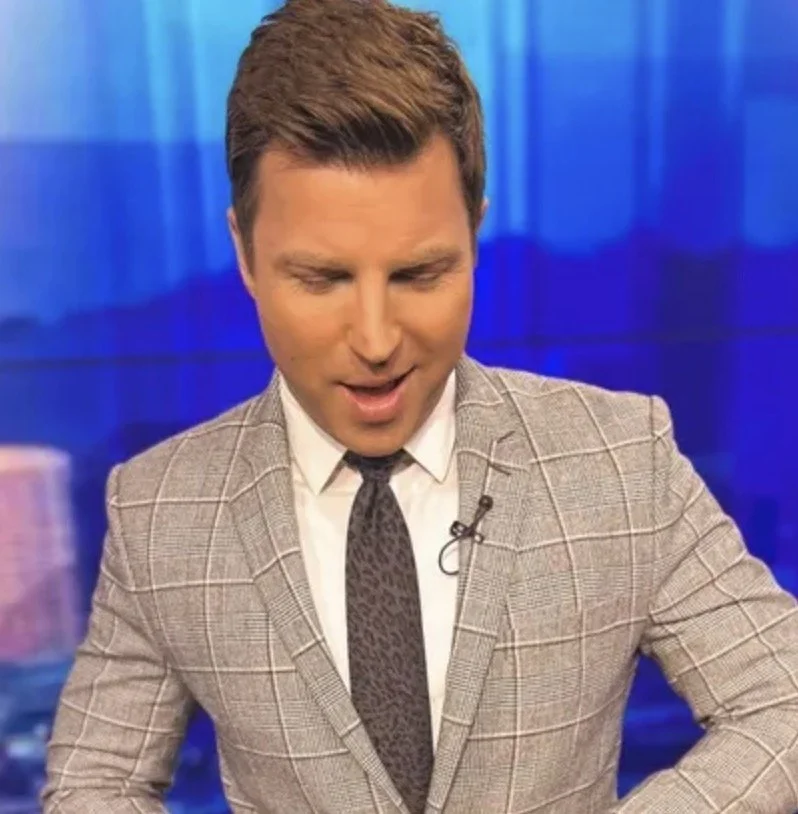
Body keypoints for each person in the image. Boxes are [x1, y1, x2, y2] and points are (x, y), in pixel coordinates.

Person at [42, 0, 798, 812]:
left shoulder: (620, 457)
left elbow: (782, 702)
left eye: (419, 275)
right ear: (245, 255)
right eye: (322, 279)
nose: (375, 340)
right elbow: (95, 782)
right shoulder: (160, 511)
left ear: (475, 236)